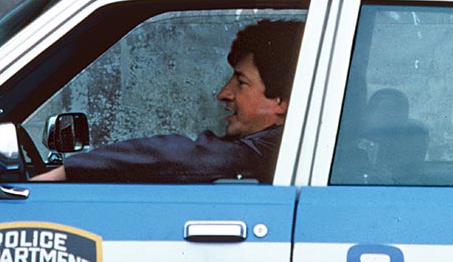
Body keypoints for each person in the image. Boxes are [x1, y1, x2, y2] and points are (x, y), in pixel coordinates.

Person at [31, 19, 304, 183]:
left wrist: (68, 171)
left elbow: (188, 156)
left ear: (282, 101)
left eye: (241, 83)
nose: (224, 93)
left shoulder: (274, 148)